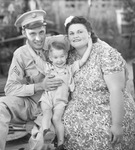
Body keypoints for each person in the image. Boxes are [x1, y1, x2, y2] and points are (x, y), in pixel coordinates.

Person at [62, 16, 135, 150]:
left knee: (101, 132)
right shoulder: (69, 56)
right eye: (71, 33)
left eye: (80, 32)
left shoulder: (105, 53)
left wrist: (117, 124)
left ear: (89, 33)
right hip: (79, 110)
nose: (75, 36)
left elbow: (116, 90)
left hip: (108, 108)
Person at [0, 10, 63, 150]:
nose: (38, 38)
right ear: (24, 33)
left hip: (52, 106)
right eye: (32, 34)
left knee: (43, 138)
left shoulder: (58, 44)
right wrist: (39, 86)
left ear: (45, 29)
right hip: (29, 103)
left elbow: (81, 36)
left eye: (41, 32)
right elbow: (10, 89)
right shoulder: (20, 54)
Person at [28, 34, 92, 150]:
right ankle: (47, 132)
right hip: (47, 98)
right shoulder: (48, 68)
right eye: (56, 57)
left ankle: (61, 143)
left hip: (60, 101)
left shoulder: (69, 69)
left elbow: (82, 60)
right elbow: (36, 59)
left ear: (66, 55)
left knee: (56, 118)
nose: (59, 60)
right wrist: (29, 46)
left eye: (62, 56)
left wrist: (90, 45)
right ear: (51, 58)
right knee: (47, 114)